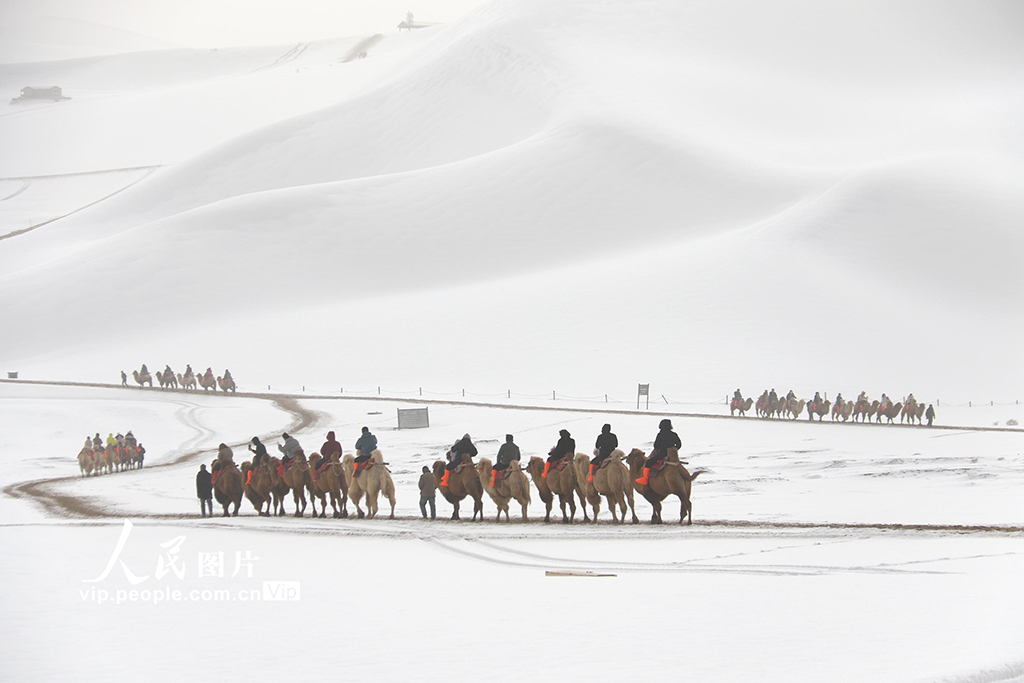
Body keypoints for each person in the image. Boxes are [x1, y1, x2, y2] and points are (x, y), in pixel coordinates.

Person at [636, 419, 681, 485]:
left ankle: (645, 479)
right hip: (672, 455)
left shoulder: (660, 434)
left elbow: (656, 445)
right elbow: (679, 444)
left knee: (648, 462)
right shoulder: (674, 434)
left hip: (662, 454)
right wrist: (673, 449)